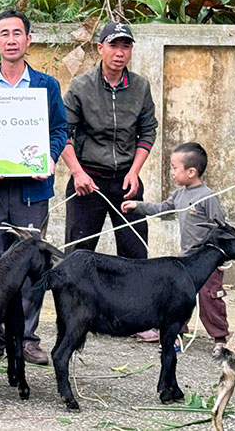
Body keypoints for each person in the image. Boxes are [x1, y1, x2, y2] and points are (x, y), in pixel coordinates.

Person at [0, 8, 68, 366]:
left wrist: (51, 158)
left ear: (29, 40)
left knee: (31, 264)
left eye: (18, 33)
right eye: (4, 34)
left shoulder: (47, 86)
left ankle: (26, 338)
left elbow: (60, 130)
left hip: (32, 191)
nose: (11, 40)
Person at [62, 21, 158, 340]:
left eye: (126, 46)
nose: (119, 53)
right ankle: (75, 320)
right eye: (113, 45)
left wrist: (134, 171)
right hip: (87, 180)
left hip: (126, 180)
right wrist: (77, 172)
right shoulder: (80, 86)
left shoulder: (141, 87)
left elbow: (147, 131)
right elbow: (64, 133)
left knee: (134, 252)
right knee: (78, 254)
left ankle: (137, 320)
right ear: (100, 48)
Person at [123, 142, 228, 355]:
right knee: (178, 298)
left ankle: (220, 339)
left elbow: (222, 227)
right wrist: (138, 206)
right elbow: (163, 209)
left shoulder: (207, 197)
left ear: (191, 172)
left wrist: (220, 257)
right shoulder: (180, 194)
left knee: (210, 299)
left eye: (174, 167)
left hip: (207, 262)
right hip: (187, 260)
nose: (171, 172)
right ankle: (176, 336)